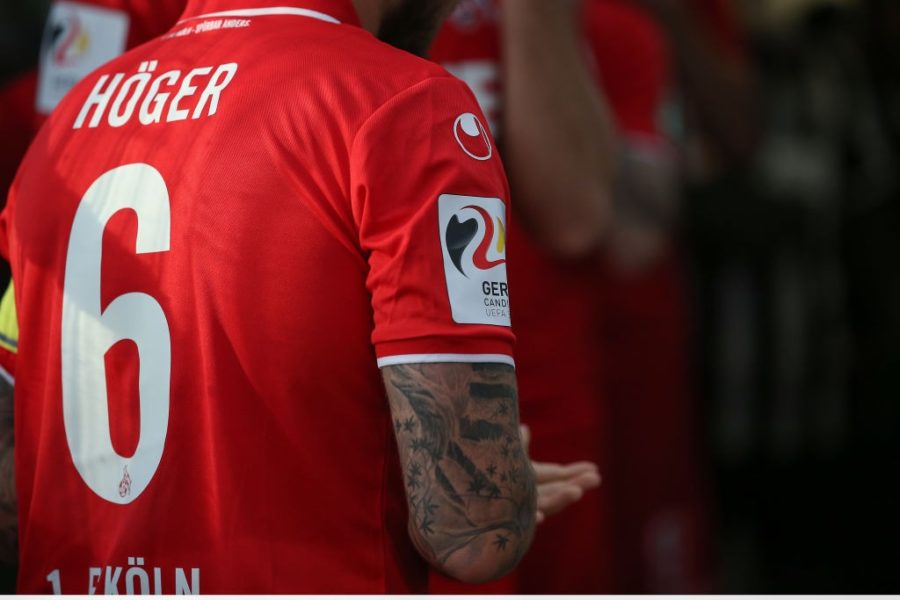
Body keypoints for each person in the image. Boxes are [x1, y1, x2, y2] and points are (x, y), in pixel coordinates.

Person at [0, 0, 554, 592]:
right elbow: (471, 528)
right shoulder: (404, 103)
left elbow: (12, 488)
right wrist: (502, 482)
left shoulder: (64, 127)